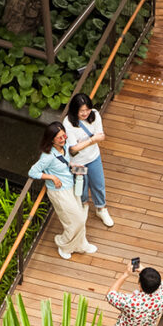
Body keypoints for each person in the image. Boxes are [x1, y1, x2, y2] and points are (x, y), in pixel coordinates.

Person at [27, 122, 97, 260]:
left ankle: (82, 244)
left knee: (80, 217)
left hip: (70, 186)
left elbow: (65, 165)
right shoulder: (47, 157)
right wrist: (51, 177)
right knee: (73, 221)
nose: (63, 139)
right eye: (59, 137)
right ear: (51, 139)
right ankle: (63, 243)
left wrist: (74, 167)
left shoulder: (63, 147)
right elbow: (33, 172)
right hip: (59, 193)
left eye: (64, 135)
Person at [63, 93, 113, 227]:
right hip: (77, 161)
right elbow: (73, 149)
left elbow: (101, 136)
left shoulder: (95, 115)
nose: (85, 113)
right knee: (81, 187)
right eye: (81, 111)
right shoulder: (68, 123)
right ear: (75, 110)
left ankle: (101, 208)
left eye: (87, 109)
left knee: (98, 183)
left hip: (93, 157)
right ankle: (84, 205)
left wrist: (84, 143)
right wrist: (91, 140)